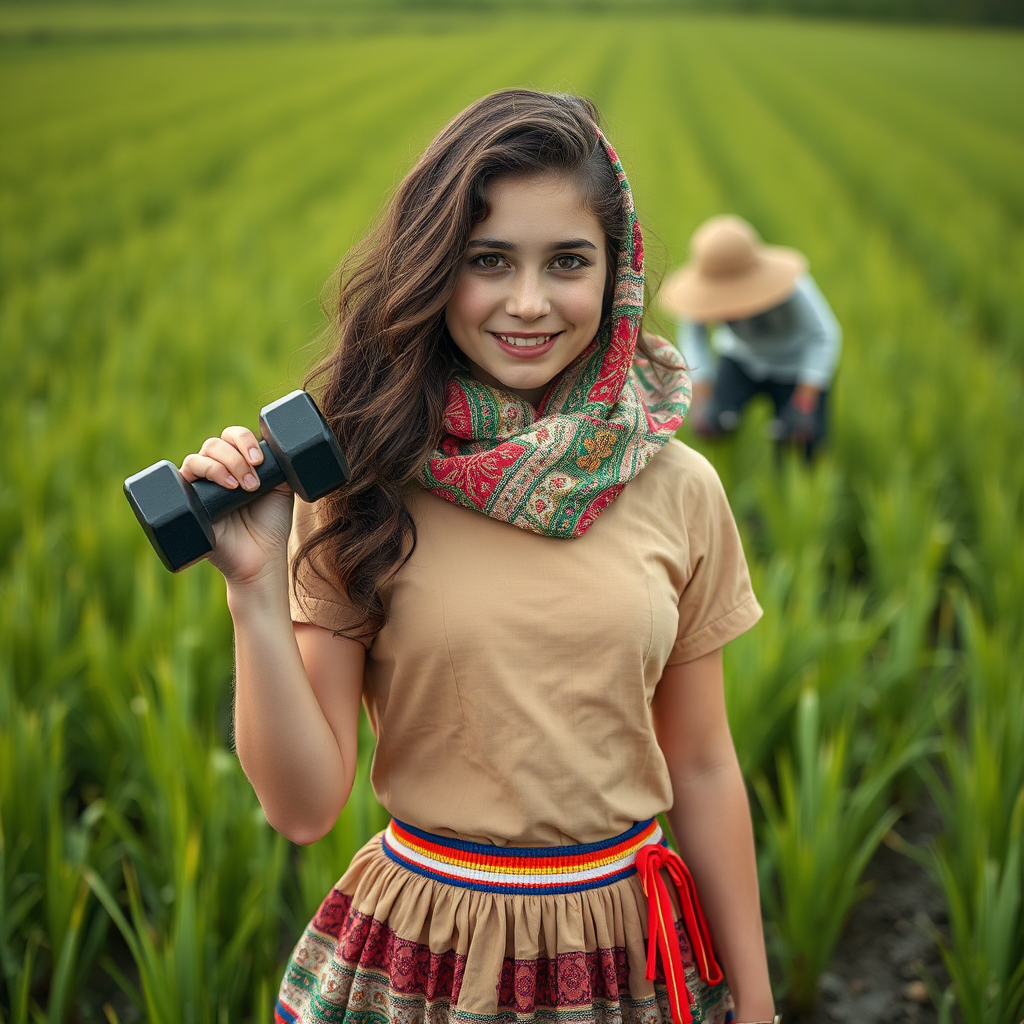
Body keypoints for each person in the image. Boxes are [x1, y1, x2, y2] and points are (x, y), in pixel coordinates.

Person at [178, 91, 778, 1024]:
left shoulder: (677, 483)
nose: (530, 303)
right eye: (487, 261)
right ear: (432, 271)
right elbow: (303, 808)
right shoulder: (361, 481)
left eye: (567, 263)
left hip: (630, 955)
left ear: (616, 277)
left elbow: (701, 763)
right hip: (428, 954)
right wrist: (254, 592)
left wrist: (759, 1004)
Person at [660, 215, 841, 457]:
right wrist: (702, 397)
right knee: (715, 425)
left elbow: (823, 336)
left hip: (794, 365)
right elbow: (693, 337)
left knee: (801, 444)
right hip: (741, 359)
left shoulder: (793, 287)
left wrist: (804, 402)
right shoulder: (702, 294)